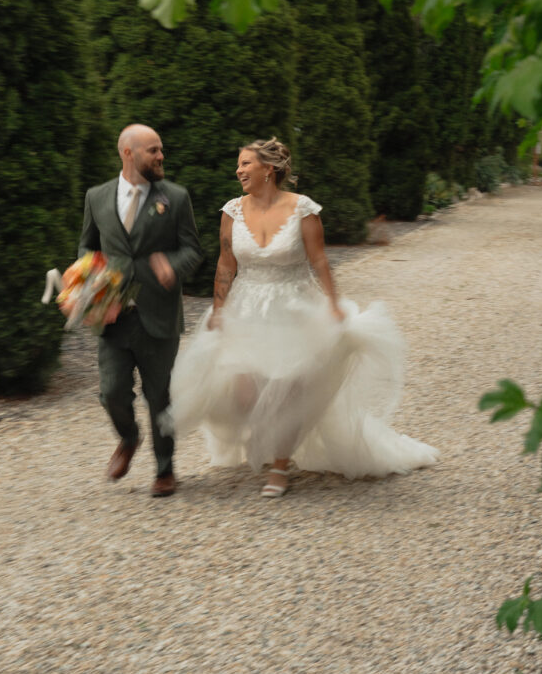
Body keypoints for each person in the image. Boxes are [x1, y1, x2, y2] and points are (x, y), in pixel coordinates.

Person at [167, 137, 438, 498]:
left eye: (246, 163)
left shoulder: (303, 209)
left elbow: (319, 260)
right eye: (239, 164)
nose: (239, 170)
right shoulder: (231, 210)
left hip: (293, 308)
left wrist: (333, 303)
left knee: (289, 389)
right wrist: (218, 309)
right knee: (247, 391)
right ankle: (267, 441)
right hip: (246, 309)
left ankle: (280, 465)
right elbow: (226, 263)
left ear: (269, 169)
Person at [78, 124, 202, 497]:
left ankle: (165, 470)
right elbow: (87, 248)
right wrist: (91, 283)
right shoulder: (97, 197)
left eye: (161, 149)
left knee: (160, 396)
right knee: (112, 391)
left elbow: (193, 250)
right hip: (112, 316)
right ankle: (128, 438)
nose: (161, 156)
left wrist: (173, 267)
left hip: (158, 314)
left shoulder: (175, 198)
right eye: (152, 150)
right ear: (127, 153)